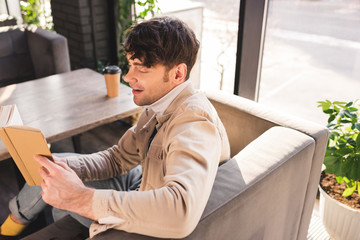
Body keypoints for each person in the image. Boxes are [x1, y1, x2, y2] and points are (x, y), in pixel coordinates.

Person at [0, 16, 230, 239]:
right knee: (53, 167)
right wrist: (67, 166)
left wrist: (81, 198)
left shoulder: (194, 121)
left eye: (141, 68)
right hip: (142, 179)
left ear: (178, 73)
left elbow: (180, 211)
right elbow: (117, 159)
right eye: (130, 65)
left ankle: (11, 227)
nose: (128, 77)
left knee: (62, 194)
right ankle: (23, 220)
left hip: (150, 201)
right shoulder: (158, 106)